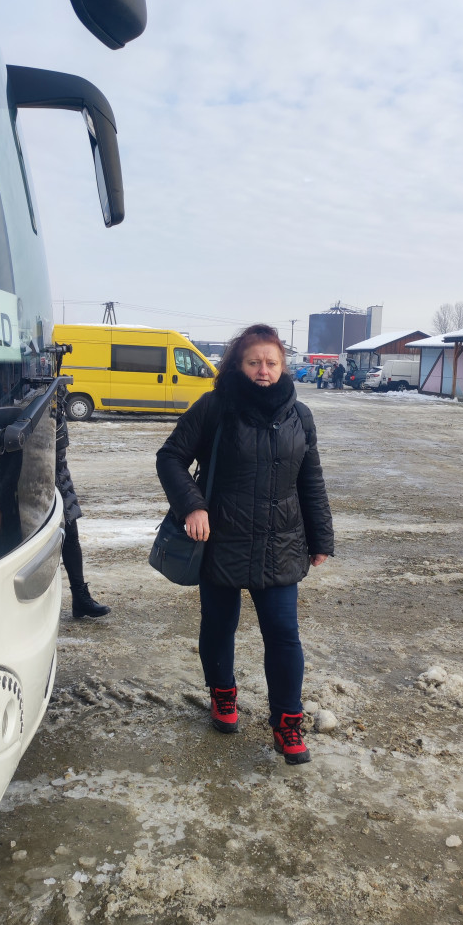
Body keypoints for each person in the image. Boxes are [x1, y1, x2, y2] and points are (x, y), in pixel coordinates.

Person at [155, 324, 334, 765]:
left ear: (283, 366)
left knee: (284, 634)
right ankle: (223, 694)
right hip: (221, 540)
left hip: (280, 542)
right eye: (254, 362)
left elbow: (310, 479)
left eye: (271, 363)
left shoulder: (300, 416)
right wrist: (192, 506)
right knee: (219, 626)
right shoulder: (215, 407)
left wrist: (321, 537)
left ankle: (287, 723)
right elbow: (170, 457)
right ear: (238, 364)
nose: (263, 370)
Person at [55, 384, 110, 618]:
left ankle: (80, 597)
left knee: (71, 537)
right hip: (37, 475)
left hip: (59, 474)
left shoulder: (51, 394)